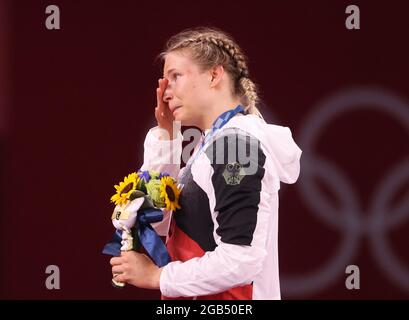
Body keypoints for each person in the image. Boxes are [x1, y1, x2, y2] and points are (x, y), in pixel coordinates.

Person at [110, 27, 302, 300]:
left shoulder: (235, 147)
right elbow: (152, 222)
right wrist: (166, 139)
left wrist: (158, 276)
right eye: (164, 82)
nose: (166, 92)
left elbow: (241, 258)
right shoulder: (212, 147)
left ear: (214, 74)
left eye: (175, 76)